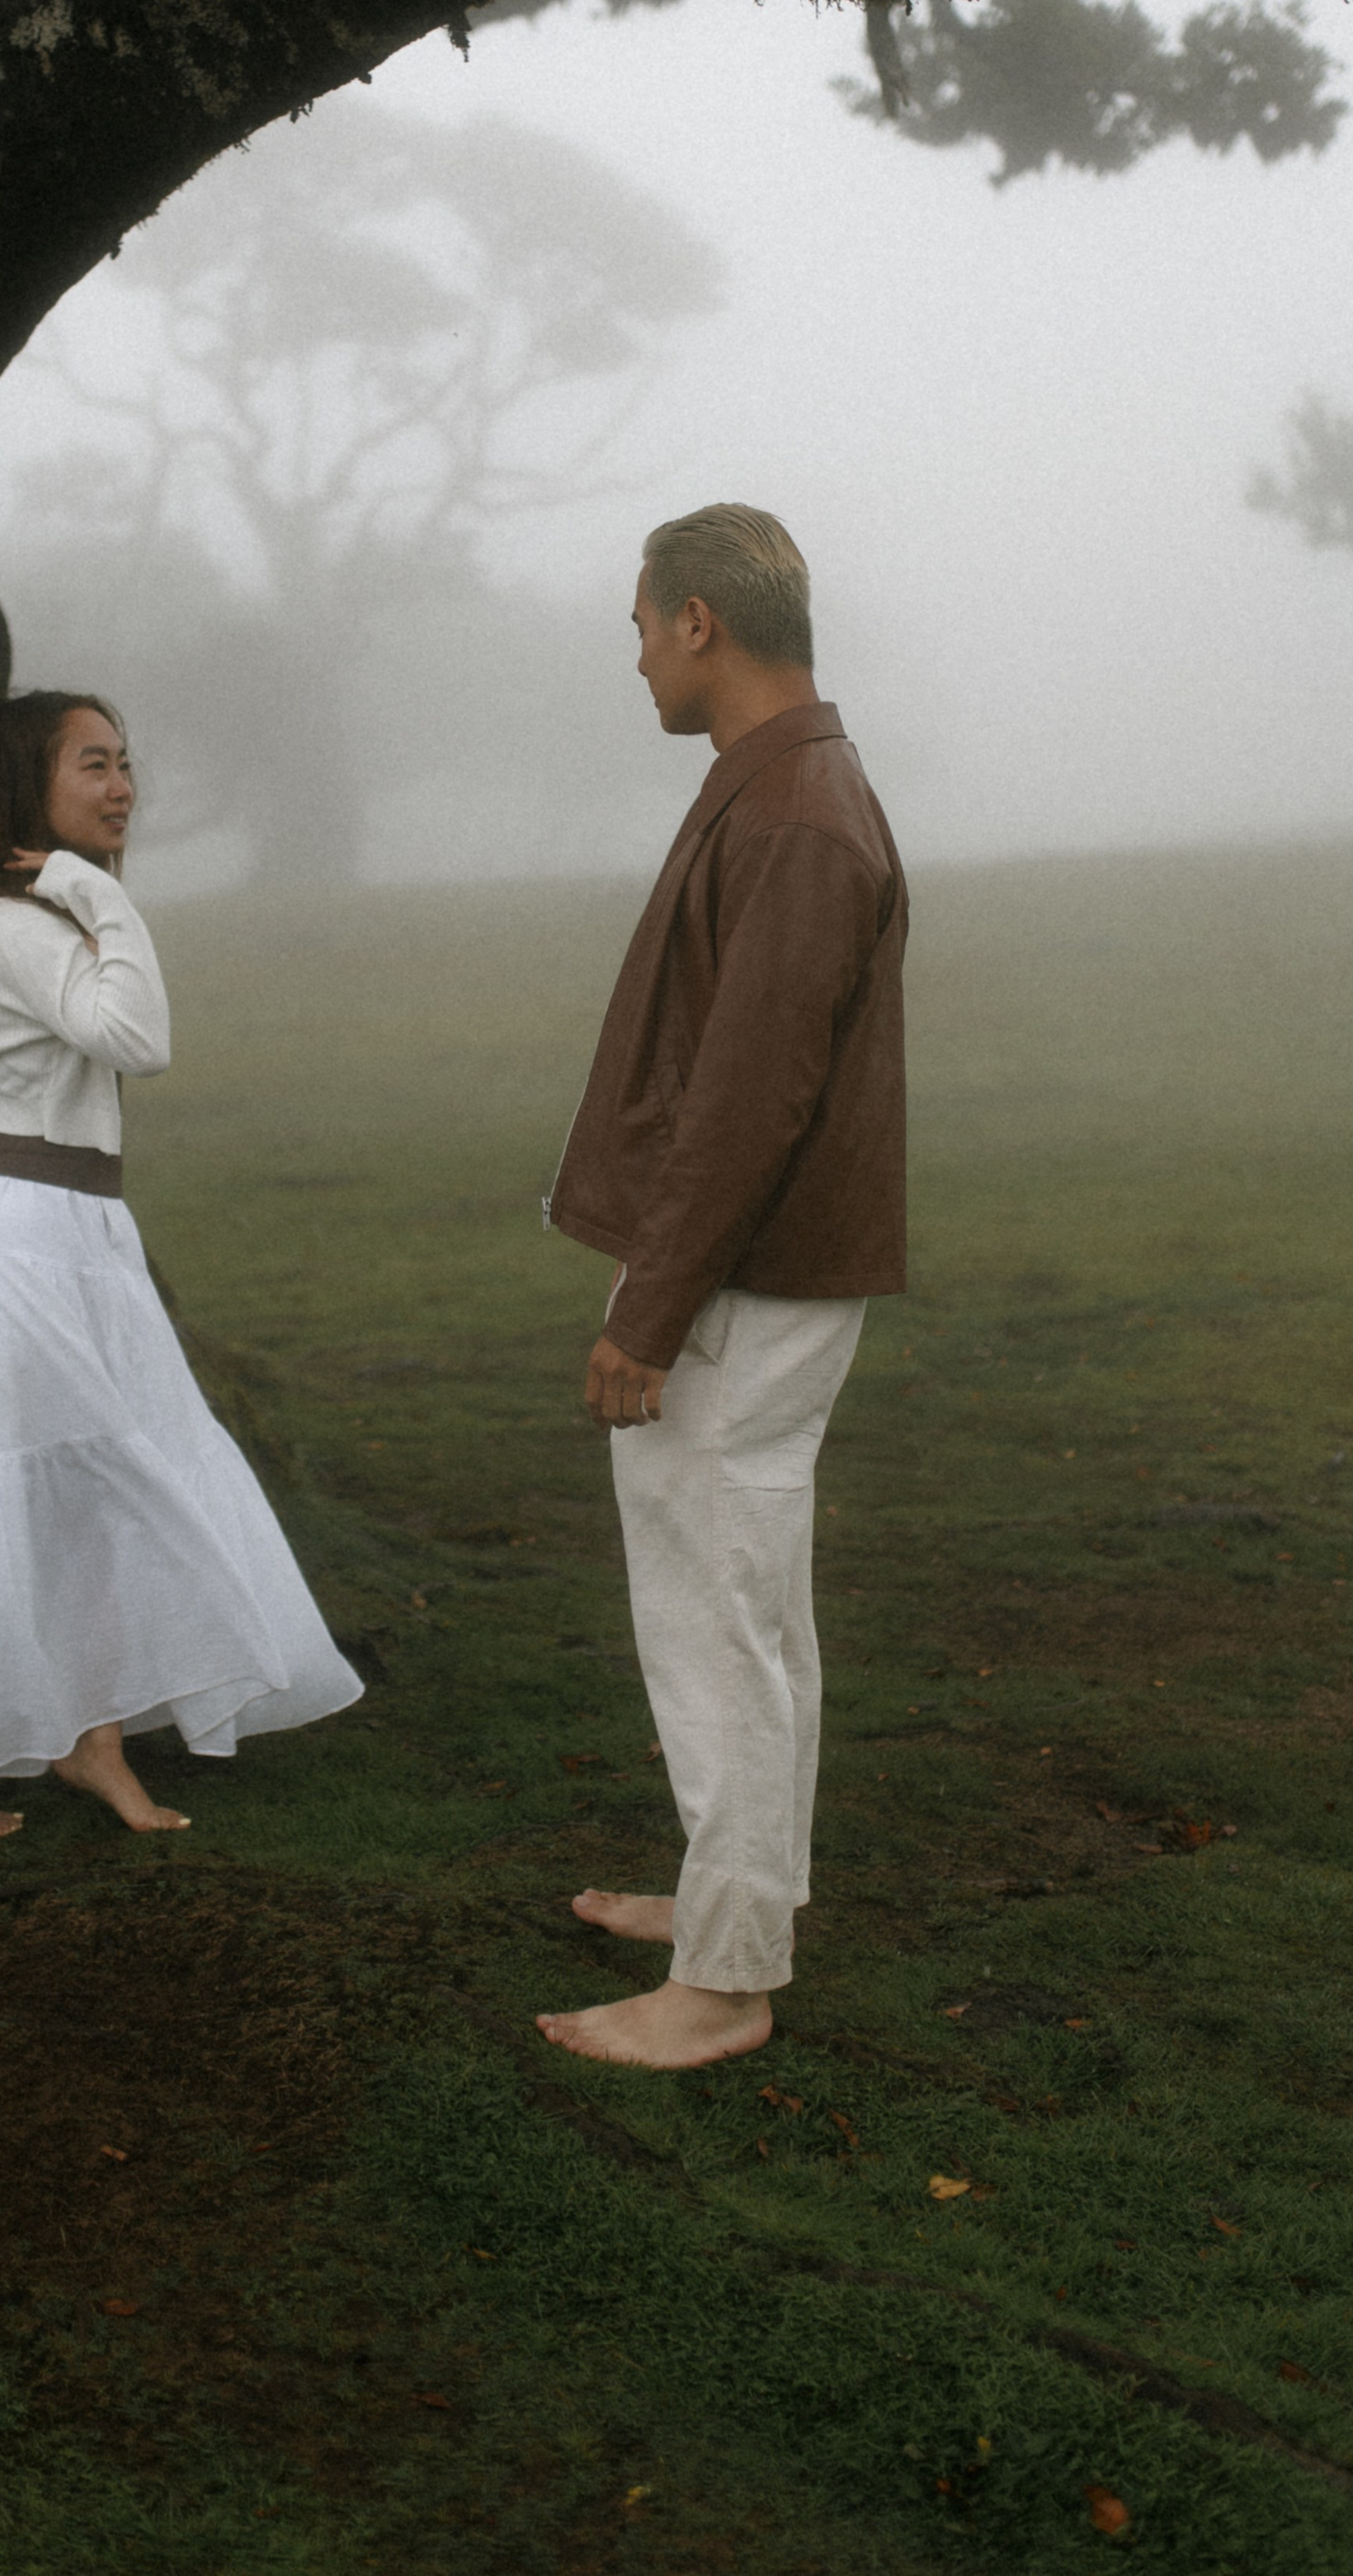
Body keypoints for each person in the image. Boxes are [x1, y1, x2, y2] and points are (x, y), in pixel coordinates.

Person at [0, 690, 361, 1840]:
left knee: (107, 1499)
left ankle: (90, 1738)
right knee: (27, 1503)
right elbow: (138, 1038)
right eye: (94, 765)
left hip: (79, 1241)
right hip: (17, 1249)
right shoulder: (33, 920)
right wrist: (94, 891)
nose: (123, 787)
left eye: (126, 764)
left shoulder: (2, 919)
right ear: (31, 790)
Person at [539, 506, 907, 2069]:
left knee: (718, 1619)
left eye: (637, 626)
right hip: (749, 1277)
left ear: (697, 621)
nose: (631, 657)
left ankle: (727, 1981)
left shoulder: (800, 816)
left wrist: (649, 1309)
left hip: (746, 1285)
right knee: (747, 1605)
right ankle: (732, 1900)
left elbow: (750, 1096)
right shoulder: (774, 790)